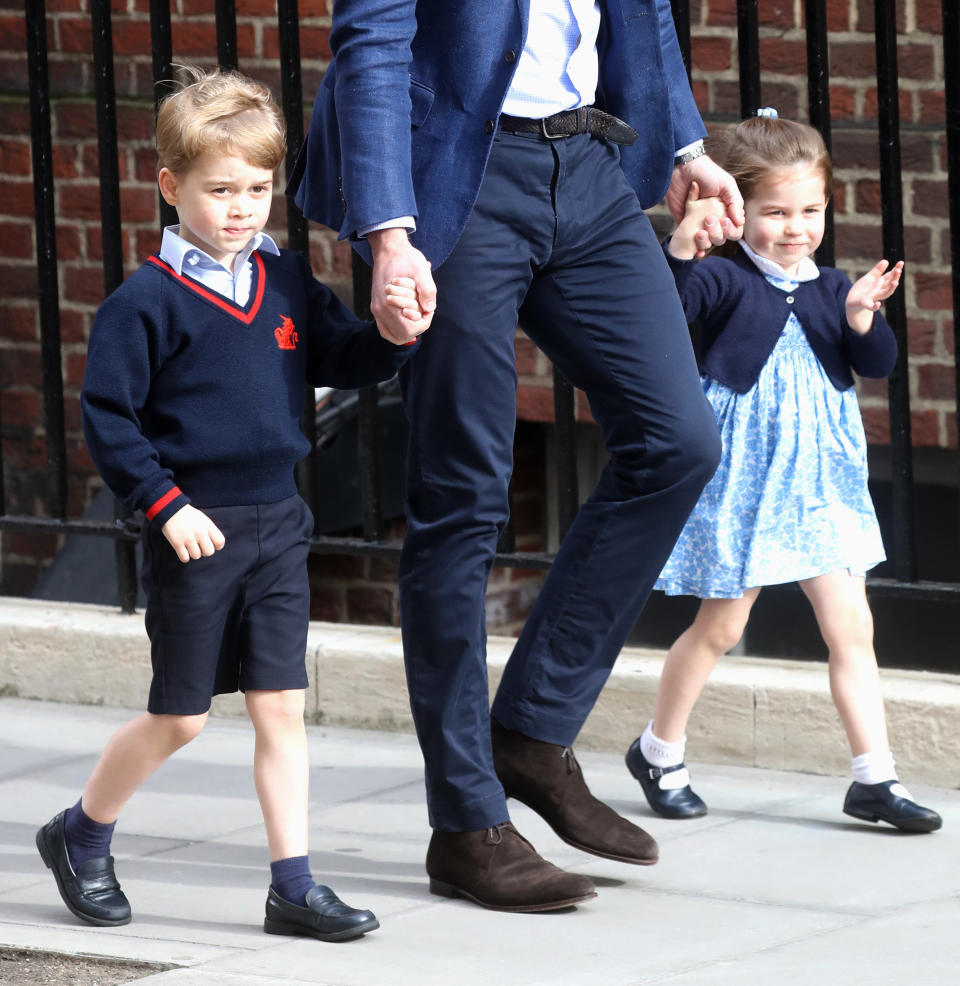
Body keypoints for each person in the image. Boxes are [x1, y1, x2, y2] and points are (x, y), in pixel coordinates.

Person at [288, 1, 744, 912]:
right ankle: (466, 823)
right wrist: (388, 234)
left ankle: (533, 731)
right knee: (463, 498)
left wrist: (685, 145)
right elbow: (373, 40)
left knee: (679, 441)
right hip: (448, 176)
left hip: (587, 168)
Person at [35, 67, 423, 941]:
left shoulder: (284, 282)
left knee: (281, 705)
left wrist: (392, 338)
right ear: (171, 188)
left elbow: (341, 356)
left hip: (279, 524)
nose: (243, 206)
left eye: (258, 188)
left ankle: (293, 883)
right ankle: (81, 833)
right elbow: (108, 421)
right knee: (179, 716)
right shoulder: (143, 306)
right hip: (194, 532)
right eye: (220, 190)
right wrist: (165, 506)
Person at [624, 111, 942, 834]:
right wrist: (679, 249)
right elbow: (662, 325)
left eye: (810, 210)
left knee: (851, 626)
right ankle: (658, 750)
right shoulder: (720, 278)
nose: (795, 227)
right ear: (736, 209)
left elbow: (878, 366)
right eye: (774, 212)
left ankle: (875, 777)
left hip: (822, 478)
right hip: (746, 473)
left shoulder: (833, 288)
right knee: (722, 626)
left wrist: (864, 319)